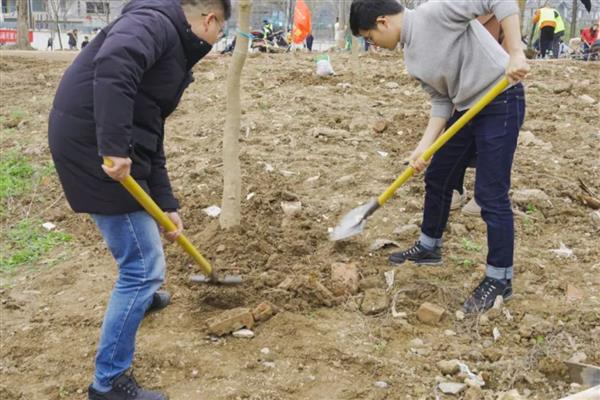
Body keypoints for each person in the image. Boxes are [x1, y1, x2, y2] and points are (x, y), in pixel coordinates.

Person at [48, 0, 231, 398]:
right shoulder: (154, 24)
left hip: (102, 142)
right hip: (92, 147)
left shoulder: (170, 43)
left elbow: (150, 133)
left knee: (141, 250)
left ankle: (139, 301)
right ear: (210, 19)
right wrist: (113, 145)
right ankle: (108, 382)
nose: (218, 42)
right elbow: (115, 65)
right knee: (143, 266)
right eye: (221, 33)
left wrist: (166, 204)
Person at [349, 0, 529, 313]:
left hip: (500, 98)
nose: (373, 45)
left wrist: (515, 51)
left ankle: (500, 278)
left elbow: (499, 0)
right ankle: (429, 246)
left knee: (490, 193)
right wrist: (424, 145)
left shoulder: (436, 11)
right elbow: (441, 100)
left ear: (382, 22)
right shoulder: (412, 59)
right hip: (464, 110)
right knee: (438, 175)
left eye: (369, 37)